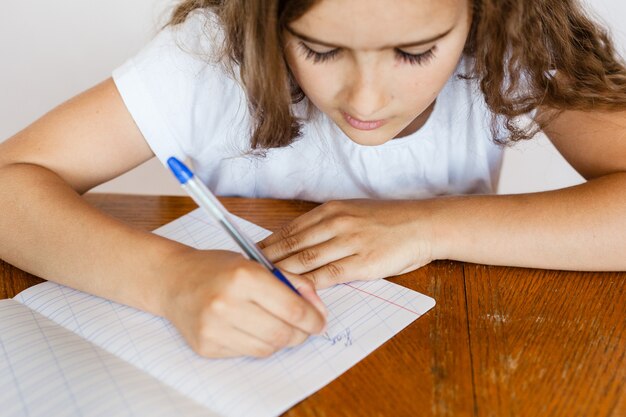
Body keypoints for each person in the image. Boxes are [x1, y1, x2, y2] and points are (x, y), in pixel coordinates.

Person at [1, 0, 625, 358]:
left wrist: (429, 224)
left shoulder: (513, 46)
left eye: (414, 53)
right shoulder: (213, 56)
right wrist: (171, 279)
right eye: (321, 52)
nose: (367, 97)